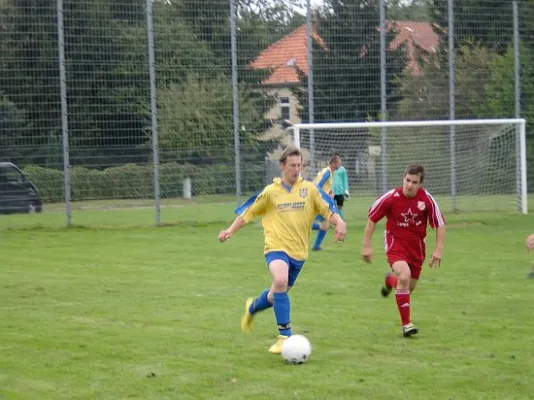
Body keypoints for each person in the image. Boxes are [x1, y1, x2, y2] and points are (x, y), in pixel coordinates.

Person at [218, 146, 347, 354]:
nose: (296, 170)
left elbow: (327, 208)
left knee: (275, 294)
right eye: (292, 166)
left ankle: (251, 309)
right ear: (282, 166)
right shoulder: (271, 192)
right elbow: (249, 212)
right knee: (280, 281)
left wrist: (339, 222)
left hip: (299, 253)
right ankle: (284, 336)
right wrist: (230, 231)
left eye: (299, 165)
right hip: (275, 248)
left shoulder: (310, 190)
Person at [361, 164, 446, 337]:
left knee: (407, 287)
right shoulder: (391, 197)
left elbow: (440, 225)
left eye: (414, 182)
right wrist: (366, 245)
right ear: (403, 178)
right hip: (395, 242)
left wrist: (438, 250)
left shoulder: (427, 199)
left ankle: (390, 281)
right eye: (407, 180)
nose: (409, 185)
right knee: (405, 276)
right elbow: (372, 220)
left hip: (416, 247)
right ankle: (406, 324)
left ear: (420, 184)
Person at [311, 154, 342, 251]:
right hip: (320, 200)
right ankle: (303, 226)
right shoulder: (327, 173)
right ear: (334, 163)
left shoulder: (328, 172)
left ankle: (316, 246)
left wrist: (330, 192)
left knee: (325, 224)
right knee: (325, 223)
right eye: (339, 162)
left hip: (317, 199)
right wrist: (327, 197)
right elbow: (318, 186)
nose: (340, 164)